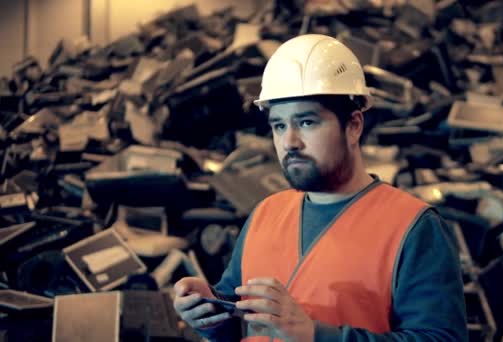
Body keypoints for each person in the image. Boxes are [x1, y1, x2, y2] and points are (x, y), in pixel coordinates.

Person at [173, 34, 467, 341]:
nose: (289, 142)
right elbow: (244, 317)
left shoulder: (414, 227)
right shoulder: (266, 213)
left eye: (307, 122)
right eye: (279, 125)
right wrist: (210, 313)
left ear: (353, 125)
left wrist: (315, 335)